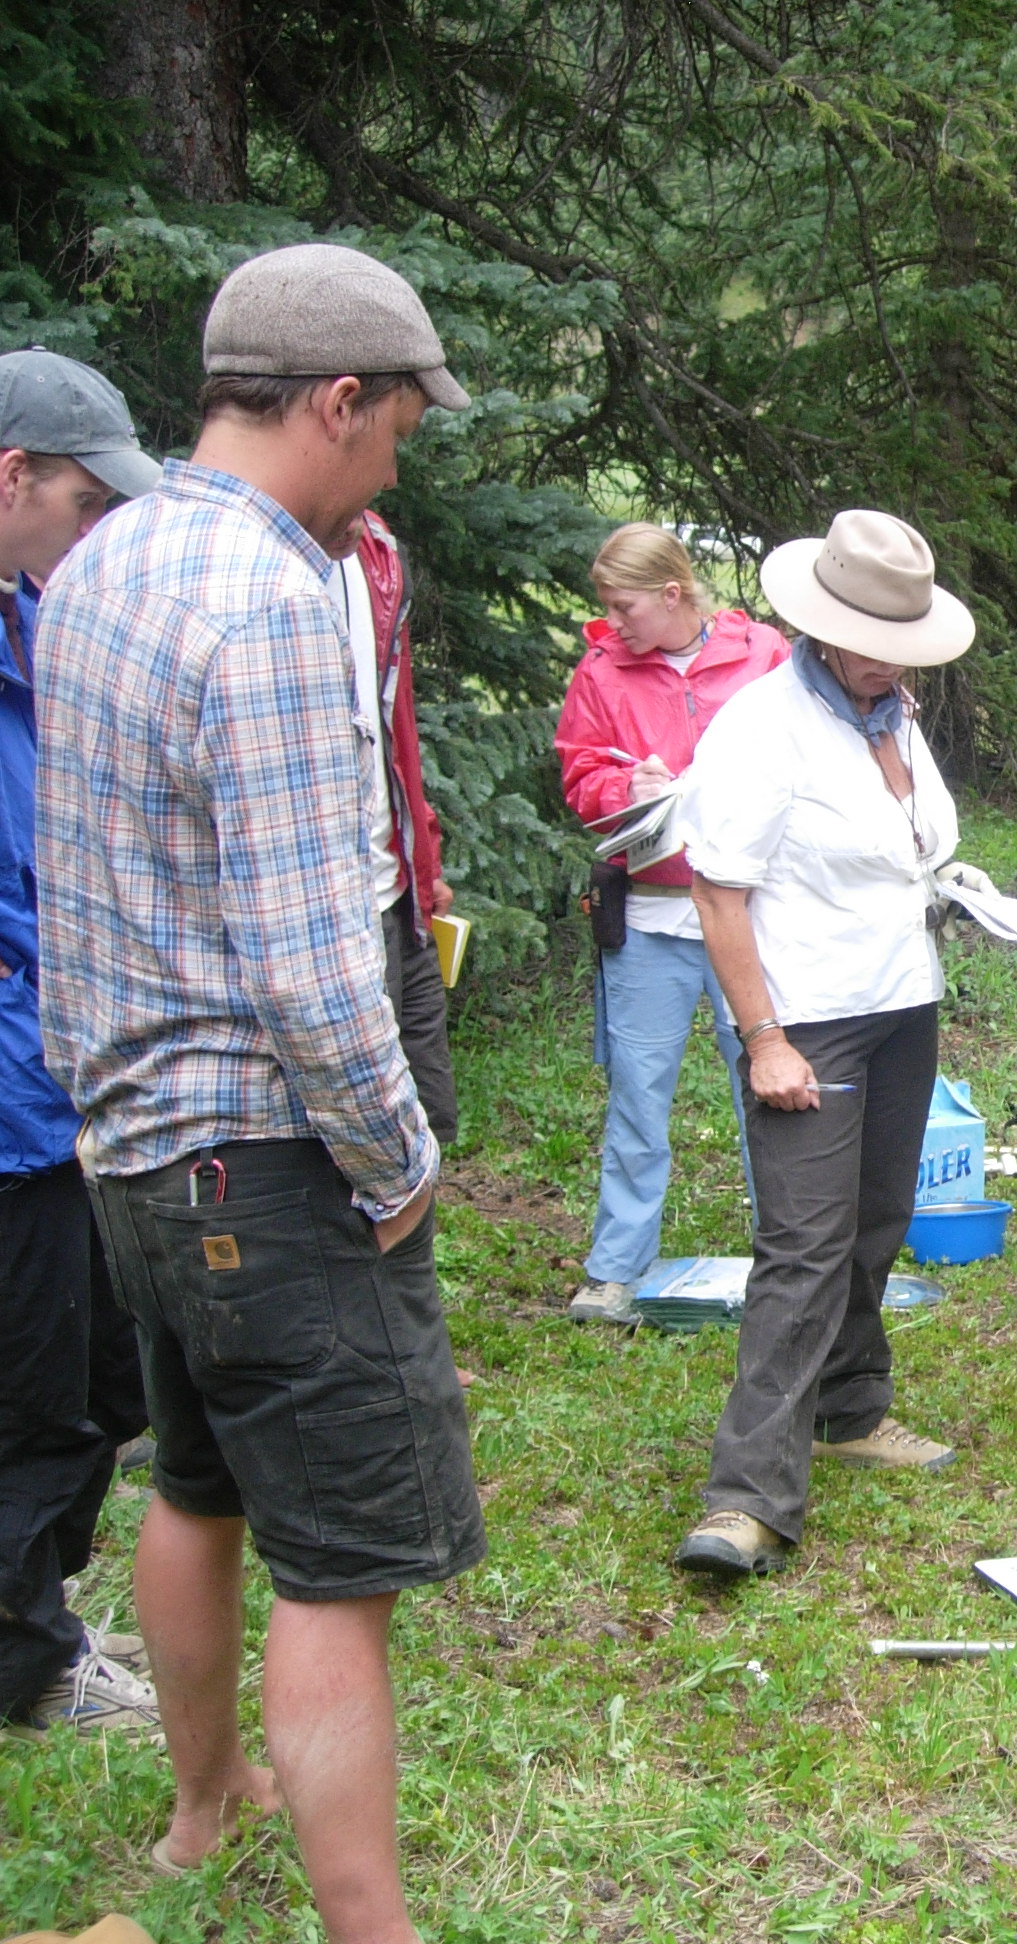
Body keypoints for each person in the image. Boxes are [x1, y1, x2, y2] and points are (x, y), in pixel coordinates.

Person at [36, 242, 480, 1940]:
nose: (400, 458)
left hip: (134, 1150)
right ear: (335, 400)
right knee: (344, 1567)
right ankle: (372, 1923)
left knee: (195, 1483)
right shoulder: (280, 594)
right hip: (270, 1159)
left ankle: (201, 1798)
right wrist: (392, 1148)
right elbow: (312, 956)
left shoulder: (103, 560)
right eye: (399, 423)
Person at [666, 511, 978, 1577]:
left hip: (902, 1004)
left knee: (877, 1220)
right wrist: (764, 1040)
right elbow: (718, 894)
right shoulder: (763, 725)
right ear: (826, 627)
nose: (893, 658)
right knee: (801, 1247)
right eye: (875, 637)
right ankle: (744, 1499)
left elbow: (915, 846)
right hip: (805, 1016)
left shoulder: (892, 714)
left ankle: (850, 1409)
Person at [0, 349, 160, 1740]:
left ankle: (35, 1611)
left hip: (63, 1074)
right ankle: (30, 1663)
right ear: (16, 477)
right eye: (89, 503)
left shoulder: (29, 623)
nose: (103, 536)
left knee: (98, 1380)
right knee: (39, 1395)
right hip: (11, 1101)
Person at [555, 523, 788, 1324]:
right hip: (651, 921)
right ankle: (616, 1269)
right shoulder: (600, 671)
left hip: (751, 921)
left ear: (673, 592)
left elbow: (810, 749)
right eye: (606, 609)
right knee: (638, 1096)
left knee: (770, 1088)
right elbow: (580, 771)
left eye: (625, 607)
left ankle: (788, 1257)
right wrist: (629, 786)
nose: (614, 623)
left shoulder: (764, 657)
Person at [324, 509, 458, 1142]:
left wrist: (422, 857)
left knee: (426, 1118)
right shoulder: (257, 568)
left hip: (398, 891)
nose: (392, 477)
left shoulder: (373, 548)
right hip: (338, 909)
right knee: (367, 1134)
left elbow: (391, 732)